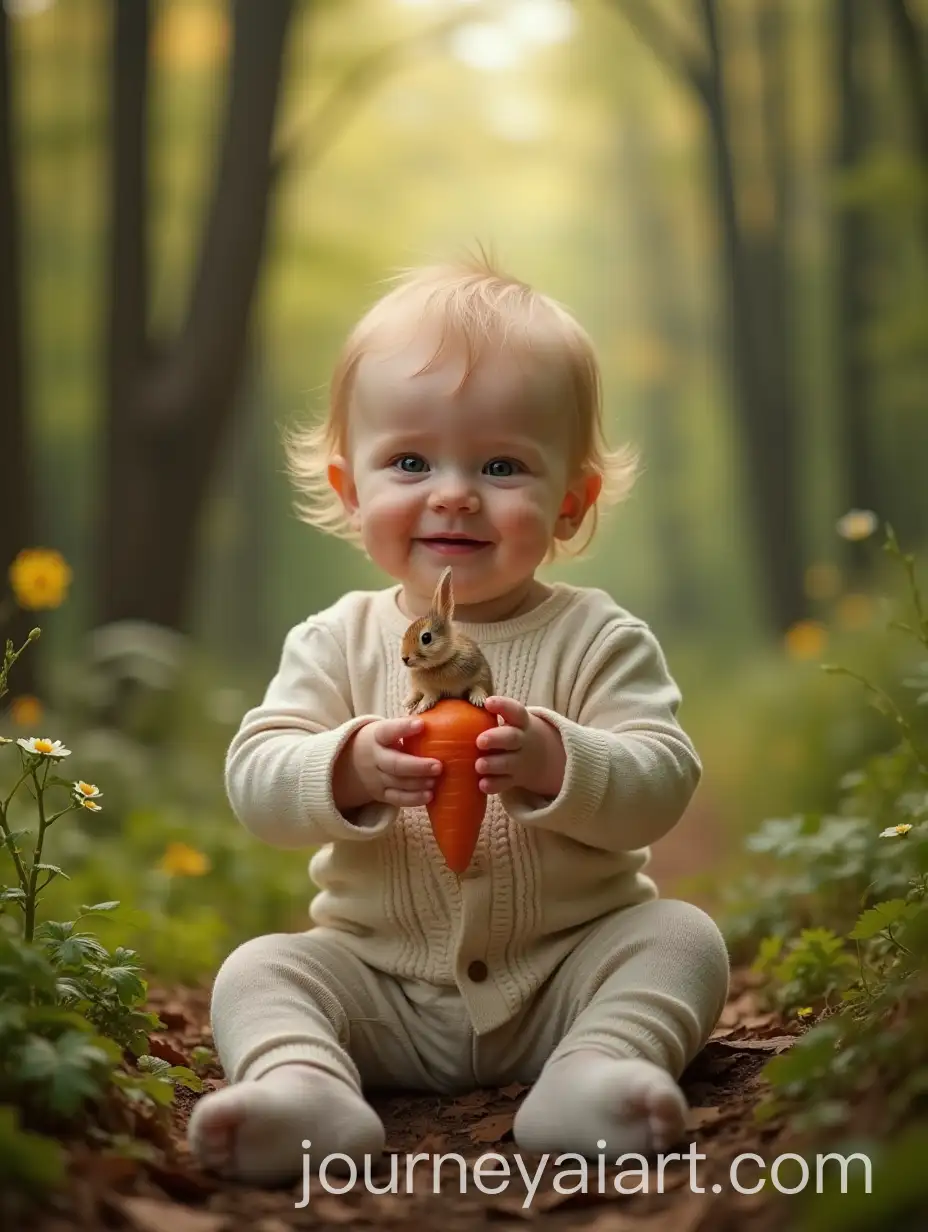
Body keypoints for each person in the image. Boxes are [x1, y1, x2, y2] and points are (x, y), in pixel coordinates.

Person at [187, 254, 730, 1184]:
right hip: (379, 989)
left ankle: (594, 1075)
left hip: (566, 975)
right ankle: (305, 1088)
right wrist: (345, 767)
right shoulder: (336, 640)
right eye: (409, 461)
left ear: (570, 502)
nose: (453, 492)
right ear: (351, 489)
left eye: (501, 465)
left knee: (682, 942)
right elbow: (256, 778)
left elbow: (662, 777)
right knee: (261, 970)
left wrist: (563, 761)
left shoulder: (598, 636)